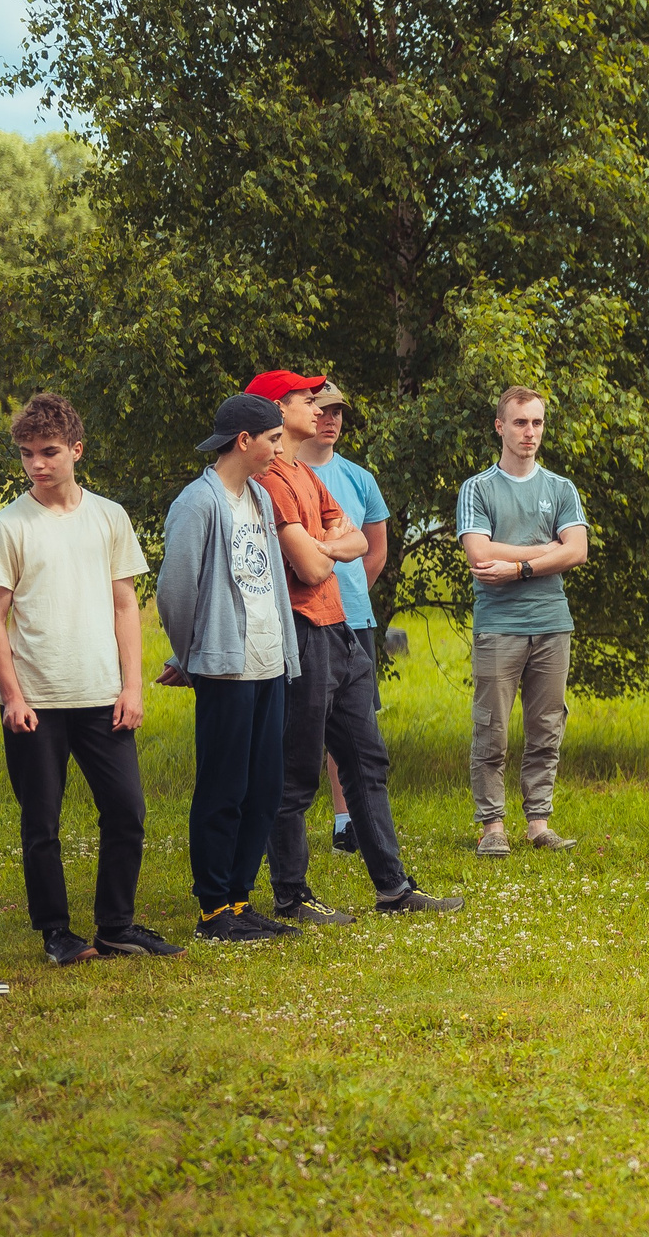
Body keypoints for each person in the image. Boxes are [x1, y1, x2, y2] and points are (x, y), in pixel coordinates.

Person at [248, 370, 461, 922]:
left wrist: (323, 542)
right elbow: (312, 566)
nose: (319, 408)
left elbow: (360, 539)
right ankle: (291, 896)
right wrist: (327, 543)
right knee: (296, 770)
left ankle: (394, 889)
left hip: (342, 630)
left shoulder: (306, 474)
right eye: (306, 399)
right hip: (301, 632)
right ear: (277, 409)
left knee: (368, 760)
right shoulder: (270, 479)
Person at [0, 394, 179, 964]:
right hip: (35, 701)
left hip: (101, 696)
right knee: (41, 822)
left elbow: (125, 605)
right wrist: (12, 697)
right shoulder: (8, 525)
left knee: (127, 812)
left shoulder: (109, 517)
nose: (36, 464)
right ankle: (56, 934)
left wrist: (132, 686)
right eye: (26, 454)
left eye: (48, 452)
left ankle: (116, 926)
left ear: (76, 450)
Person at [157, 393, 302, 942]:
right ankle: (214, 909)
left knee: (263, 788)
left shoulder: (259, 497)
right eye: (273, 440)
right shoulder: (198, 502)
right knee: (223, 789)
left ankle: (240, 901)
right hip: (224, 669)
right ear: (244, 440)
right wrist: (193, 655)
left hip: (268, 664)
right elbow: (175, 592)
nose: (279, 450)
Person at [456, 386, 590, 856]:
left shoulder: (561, 488)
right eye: (519, 422)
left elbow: (578, 550)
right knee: (491, 727)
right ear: (500, 426)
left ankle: (538, 824)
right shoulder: (477, 489)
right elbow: (479, 553)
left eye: (536, 422)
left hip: (552, 622)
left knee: (546, 727)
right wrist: (546, 550)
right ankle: (492, 827)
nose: (529, 432)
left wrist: (519, 568)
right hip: (499, 624)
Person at [299, 380, 387, 855]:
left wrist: (346, 597)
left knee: (353, 726)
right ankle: (287, 826)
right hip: (301, 618)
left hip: (353, 618)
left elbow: (375, 551)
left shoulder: (359, 478)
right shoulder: (280, 474)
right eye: (322, 410)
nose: (330, 419)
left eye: (338, 412)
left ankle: (345, 822)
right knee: (302, 724)